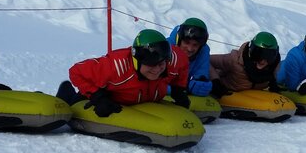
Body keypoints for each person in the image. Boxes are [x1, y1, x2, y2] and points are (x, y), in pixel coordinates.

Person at [57, 29, 191, 117]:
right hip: (105, 97)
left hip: (143, 100)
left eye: (161, 64)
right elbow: (75, 71)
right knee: (71, 105)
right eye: (150, 64)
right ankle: (66, 92)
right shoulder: (116, 66)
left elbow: (183, 65)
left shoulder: (173, 59)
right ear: (137, 60)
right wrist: (98, 96)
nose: (156, 69)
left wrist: (179, 90)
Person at [208, 31, 282, 97]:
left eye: (268, 56)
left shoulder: (273, 67)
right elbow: (207, 60)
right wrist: (215, 81)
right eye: (258, 55)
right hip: (225, 94)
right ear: (251, 51)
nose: (262, 61)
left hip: (249, 100)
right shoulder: (234, 60)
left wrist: (273, 82)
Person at [167, 17, 213, 97]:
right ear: (179, 39)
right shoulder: (165, 48)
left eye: (195, 45)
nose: (190, 49)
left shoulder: (203, 51)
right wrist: (181, 88)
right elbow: (152, 81)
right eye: (186, 42)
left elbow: (201, 75)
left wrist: (201, 86)